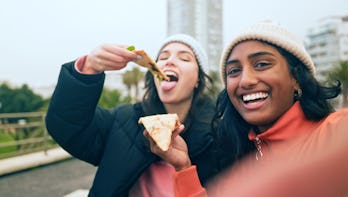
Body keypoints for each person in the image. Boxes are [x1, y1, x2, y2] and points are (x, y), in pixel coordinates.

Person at [151, 21, 348, 196]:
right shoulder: (237, 154)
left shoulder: (341, 133)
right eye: (234, 71)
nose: (245, 80)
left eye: (262, 64)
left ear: (296, 77)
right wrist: (183, 167)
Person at [45, 34, 219, 196]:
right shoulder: (123, 119)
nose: (169, 62)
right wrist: (88, 68)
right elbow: (66, 125)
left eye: (184, 58)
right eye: (163, 57)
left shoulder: (220, 134)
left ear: (198, 80)